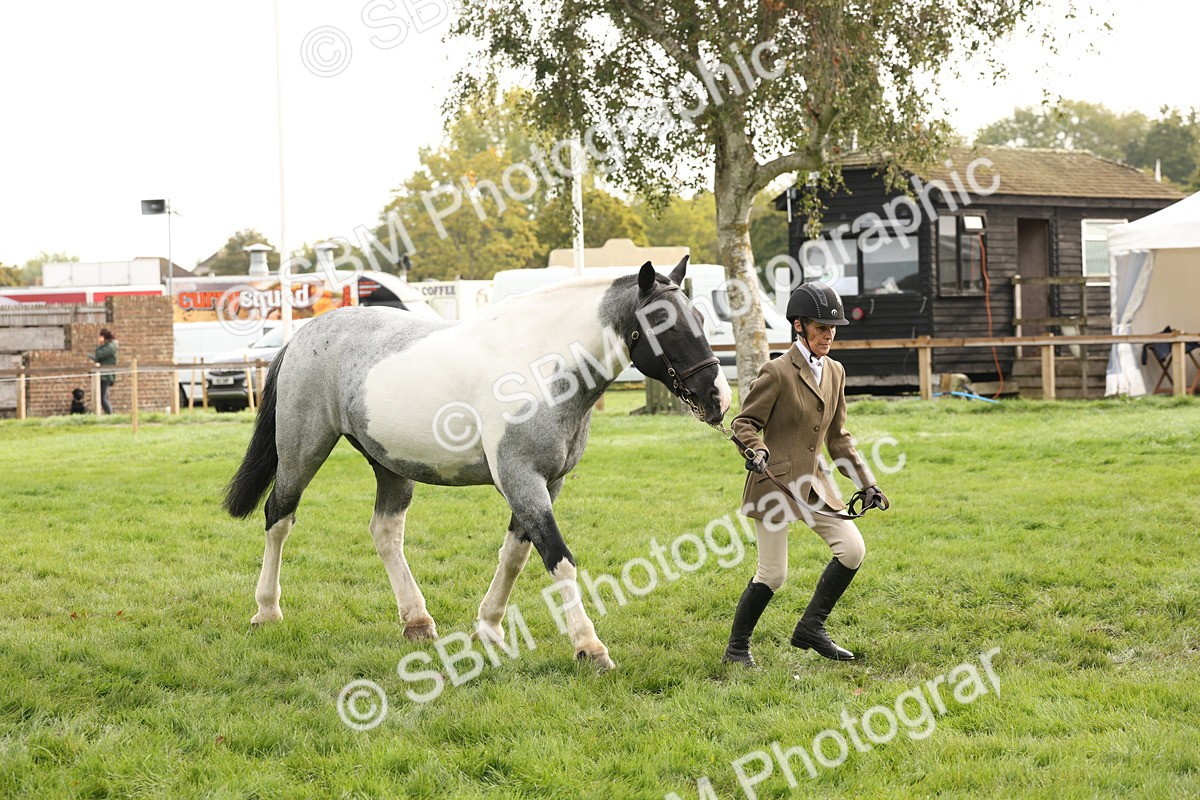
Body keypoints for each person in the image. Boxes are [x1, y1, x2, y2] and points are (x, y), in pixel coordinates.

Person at [723, 282, 888, 668]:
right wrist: (757, 449)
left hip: (815, 483)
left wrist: (867, 483)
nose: (828, 335)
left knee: (852, 549)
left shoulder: (835, 372)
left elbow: (838, 438)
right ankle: (736, 649)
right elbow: (744, 423)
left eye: (833, 329)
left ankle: (811, 627)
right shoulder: (777, 371)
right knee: (773, 574)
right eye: (820, 328)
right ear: (799, 326)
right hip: (776, 482)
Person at [94, 328, 118, 414]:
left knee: (103, 399)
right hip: (104, 374)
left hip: (106, 375)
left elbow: (99, 355)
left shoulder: (110, 346)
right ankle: (110, 415)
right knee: (105, 397)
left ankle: (110, 415)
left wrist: (99, 345)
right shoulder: (108, 346)